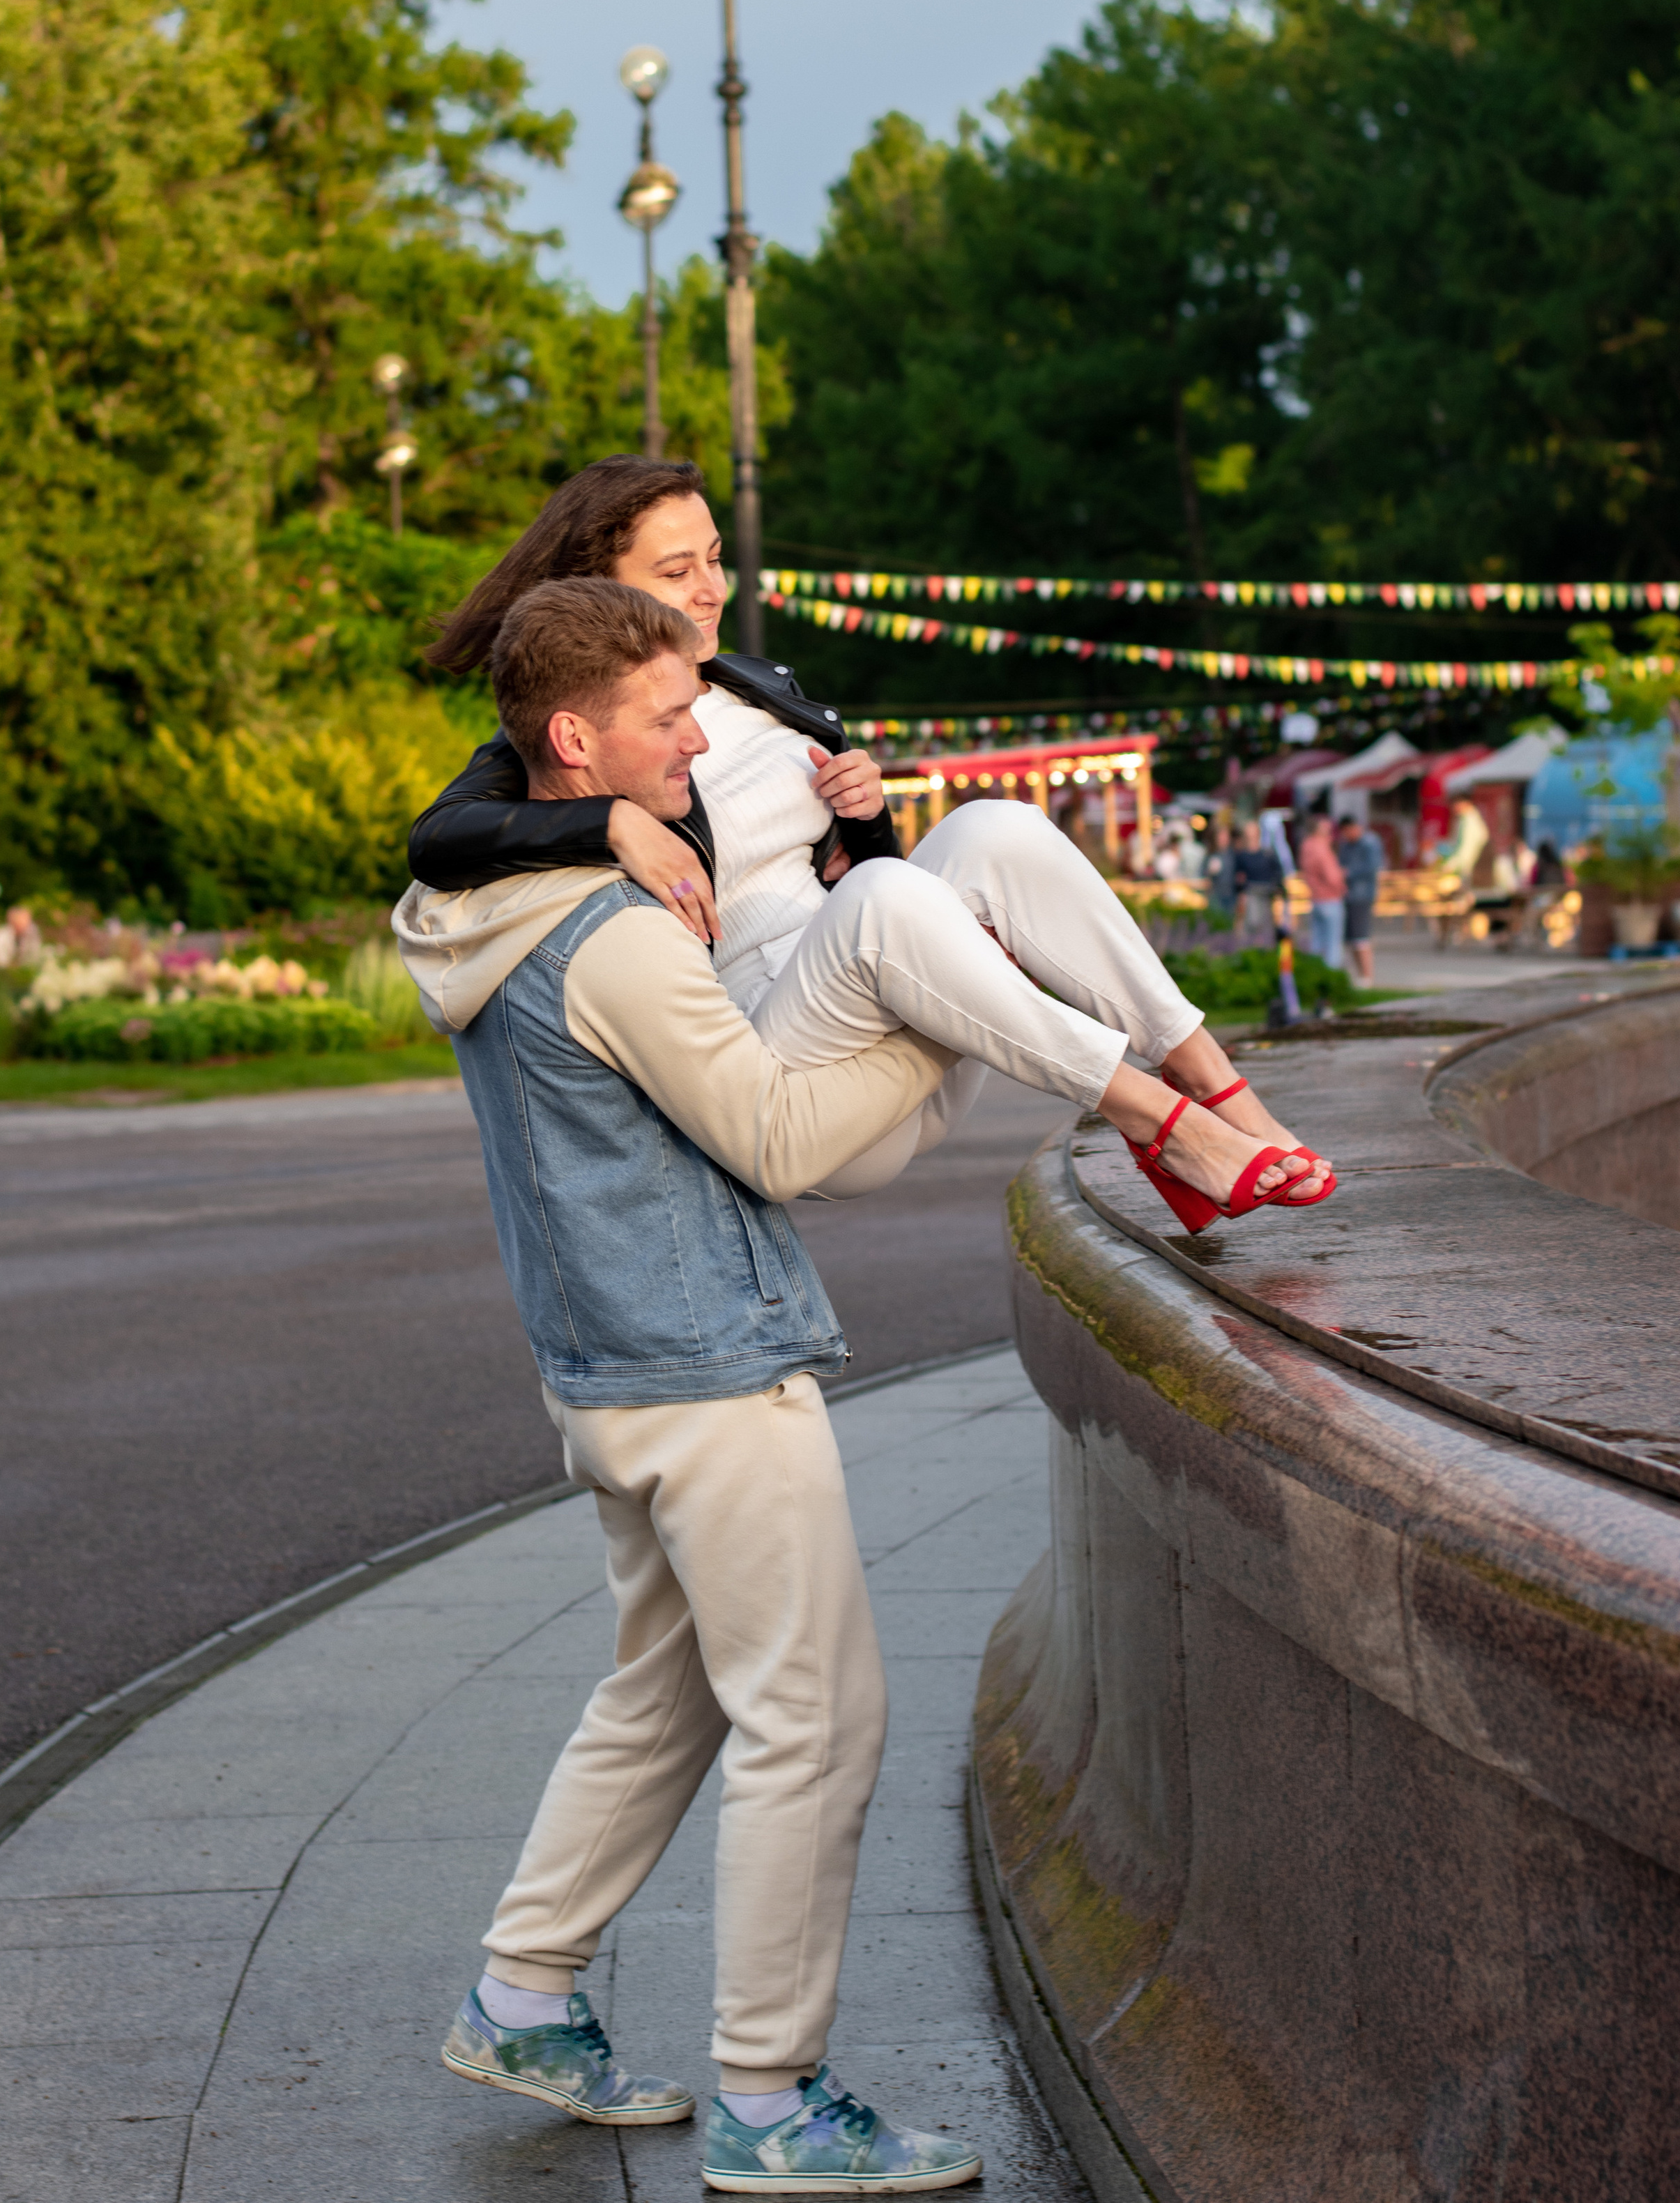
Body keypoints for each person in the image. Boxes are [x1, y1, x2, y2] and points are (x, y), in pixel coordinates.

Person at [397, 584, 1309, 2192]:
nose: (696, 744)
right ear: (573, 740)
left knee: (668, 1689)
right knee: (816, 1724)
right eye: (667, 718)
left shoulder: (471, 910)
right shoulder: (612, 935)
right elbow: (774, 1139)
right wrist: (937, 1017)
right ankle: (770, 2100)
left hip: (605, 1367)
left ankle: (523, 1992)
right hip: (702, 1371)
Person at [408, 458, 1332, 1223]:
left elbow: (875, 882)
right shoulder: (588, 729)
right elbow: (439, 839)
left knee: (997, 826)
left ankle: (1217, 1089)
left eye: (716, 560)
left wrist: (868, 818)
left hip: (890, 999)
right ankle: (1160, 1125)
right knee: (882, 900)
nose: (711, 589)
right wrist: (608, 820)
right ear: (599, 587)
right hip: (793, 1062)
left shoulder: (760, 687)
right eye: (676, 570)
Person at [1337, 813, 1386, 984]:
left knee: (1361, 937)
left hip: (1362, 895)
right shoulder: (1346, 845)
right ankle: (1360, 976)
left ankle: (1367, 976)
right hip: (1347, 895)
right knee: (1351, 939)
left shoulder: (1369, 843)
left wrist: (1348, 873)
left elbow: (1372, 867)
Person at [1297, 813, 1347, 971]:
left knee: (1317, 943)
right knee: (1333, 944)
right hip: (1330, 898)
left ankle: (1315, 974)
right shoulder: (1321, 847)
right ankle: (1331, 978)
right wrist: (1342, 882)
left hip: (1316, 898)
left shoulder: (1306, 846)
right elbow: (1332, 877)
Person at [1230, 817, 1285, 947]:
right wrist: (1241, 892)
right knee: (1252, 923)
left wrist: (1278, 889)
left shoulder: (1267, 854)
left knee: (1266, 926)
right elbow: (1238, 877)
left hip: (1267, 894)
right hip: (1251, 893)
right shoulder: (1242, 856)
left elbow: (1278, 873)